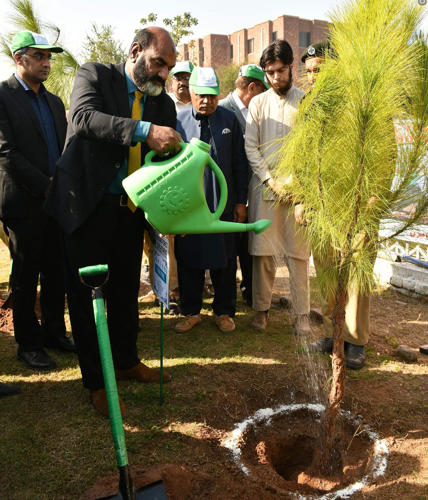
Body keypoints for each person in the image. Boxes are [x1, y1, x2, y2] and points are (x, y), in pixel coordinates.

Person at [45, 27, 182, 416]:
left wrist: (172, 210)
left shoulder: (163, 104)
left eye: (169, 68)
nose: (163, 75)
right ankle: (96, 382)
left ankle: (125, 362)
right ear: (135, 51)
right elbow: (84, 119)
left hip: (130, 211)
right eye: (158, 63)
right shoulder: (95, 75)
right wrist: (143, 130)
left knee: (124, 293)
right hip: (86, 208)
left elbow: (166, 165)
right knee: (89, 298)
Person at [0, 31, 74, 371]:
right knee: (26, 275)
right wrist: (44, 185)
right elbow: (5, 152)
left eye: (49, 57)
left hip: (55, 202)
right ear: (19, 58)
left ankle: (55, 333)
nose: (46, 63)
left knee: (56, 271)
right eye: (39, 56)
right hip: (23, 203)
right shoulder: (3, 96)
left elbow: (64, 149)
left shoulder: (54, 102)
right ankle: (28, 344)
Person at [302, 42, 368, 369]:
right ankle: (335, 333)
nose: (313, 77)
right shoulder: (308, 105)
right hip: (320, 202)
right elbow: (302, 156)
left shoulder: (359, 101)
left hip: (355, 204)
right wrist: (303, 198)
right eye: (309, 71)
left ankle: (355, 341)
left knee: (353, 273)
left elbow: (381, 152)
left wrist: (370, 199)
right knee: (327, 270)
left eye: (320, 70)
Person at [174, 67, 249, 334]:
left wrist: (240, 202)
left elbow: (240, 163)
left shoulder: (229, 120)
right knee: (188, 259)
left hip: (223, 207)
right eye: (201, 95)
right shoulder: (178, 121)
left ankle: (224, 311)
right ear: (191, 92)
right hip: (189, 208)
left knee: (226, 260)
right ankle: (191, 312)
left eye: (212, 96)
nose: (206, 101)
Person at [245, 40, 311, 335]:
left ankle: (302, 315)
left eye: (280, 71)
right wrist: (270, 180)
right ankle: (261, 310)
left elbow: (312, 149)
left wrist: (300, 189)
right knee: (263, 253)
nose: (275, 78)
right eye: (269, 73)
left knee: (299, 255)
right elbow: (251, 147)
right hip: (265, 187)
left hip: (298, 192)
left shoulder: (306, 103)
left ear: (291, 67)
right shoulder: (258, 104)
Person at [219, 64, 268, 306]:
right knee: (230, 247)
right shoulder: (222, 110)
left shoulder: (256, 111)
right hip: (229, 194)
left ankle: (250, 290)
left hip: (252, 190)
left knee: (250, 245)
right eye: (262, 91)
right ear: (252, 87)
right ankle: (226, 297)